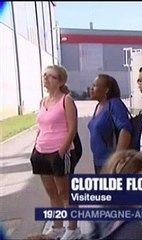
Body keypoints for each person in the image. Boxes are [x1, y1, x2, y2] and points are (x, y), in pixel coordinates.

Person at [29, 65, 81, 240]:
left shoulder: (66, 100)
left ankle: (73, 229)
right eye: (45, 75)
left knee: (64, 193)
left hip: (59, 152)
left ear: (60, 81)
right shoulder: (42, 102)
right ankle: (57, 227)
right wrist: (36, 147)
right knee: (52, 193)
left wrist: (61, 152)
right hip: (41, 152)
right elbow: (41, 127)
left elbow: (72, 129)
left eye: (51, 76)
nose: (46, 78)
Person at [88, 74, 132, 174]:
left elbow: (125, 130)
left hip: (111, 162)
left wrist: (117, 158)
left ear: (106, 90)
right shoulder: (99, 106)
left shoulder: (114, 104)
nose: (91, 88)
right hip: (99, 162)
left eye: (95, 86)